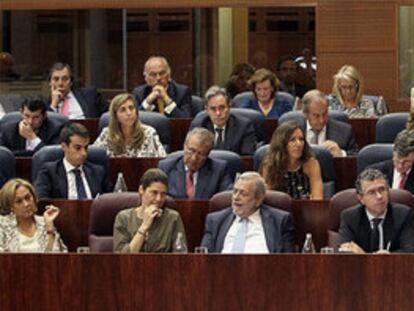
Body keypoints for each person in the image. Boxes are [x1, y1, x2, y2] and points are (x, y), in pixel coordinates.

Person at [200, 171, 295, 253]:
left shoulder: (280, 221)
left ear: (258, 199)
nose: (236, 197)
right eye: (235, 191)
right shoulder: (215, 220)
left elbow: (288, 261)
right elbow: (204, 257)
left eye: (243, 193)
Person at [337, 168, 414, 253]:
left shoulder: (403, 215)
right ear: (361, 198)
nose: (379, 196)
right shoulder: (350, 217)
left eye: (382, 190)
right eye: (371, 192)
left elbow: (409, 251)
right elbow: (343, 251)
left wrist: (387, 257)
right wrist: (370, 259)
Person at [113, 168, 187, 253]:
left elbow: (180, 256)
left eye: (163, 194)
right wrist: (144, 226)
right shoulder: (123, 218)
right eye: (154, 193)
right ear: (141, 190)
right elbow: (122, 259)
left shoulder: (173, 218)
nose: (159, 199)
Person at [35, 123, 112, 199]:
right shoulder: (49, 172)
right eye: (78, 148)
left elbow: (109, 201)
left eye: (85, 148)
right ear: (64, 146)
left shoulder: (98, 172)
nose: (84, 153)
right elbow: (42, 201)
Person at [158, 127, 232, 199]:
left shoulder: (219, 170)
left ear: (208, 154)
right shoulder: (166, 168)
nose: (194, 158)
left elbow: (226, 198)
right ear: (184, 146)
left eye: (201, 154)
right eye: (191, 150)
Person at [259, 121, 323, 200]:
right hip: (278, 210)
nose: (299, 144)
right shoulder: (270, 165)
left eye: (301, 139)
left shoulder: (311, 163)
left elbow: (318, 200)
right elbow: (267, 199)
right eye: (292, 140)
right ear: (282, 143)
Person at [0, 178, 67, 252]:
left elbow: (55, 258)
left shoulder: (44, 222)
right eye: (19, 201)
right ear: (10, 206)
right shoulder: (3, 225)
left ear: (34, 198)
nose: (26, 204)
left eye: (28, 198)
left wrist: (49, 229)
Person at [190, 85, 257, 155]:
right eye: (213, 109)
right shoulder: (198, 126)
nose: (218, 113)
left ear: (229, 107)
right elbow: (192, 155)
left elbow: (247, 159)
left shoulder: (244, 126)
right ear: (207, 110)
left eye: (222, 108)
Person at [93, 93, 166, 157]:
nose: (129, 113)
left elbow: (162, 160)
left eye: (131, 108)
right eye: (123, 110)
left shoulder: (149, 133)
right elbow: (93, 156)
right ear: (116, 116)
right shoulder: (107, 134)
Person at [0, 96, 69, 156]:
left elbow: (53, 157)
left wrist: (32, 138)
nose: (30, 121)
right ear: (21, 112)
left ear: (44, 116)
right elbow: (3, 157)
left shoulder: (56, 130)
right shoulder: (8, 130)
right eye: (27, 116)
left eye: (36, 117)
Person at [302, 89, 358, 156]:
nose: (322, 120)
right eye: (316, 116)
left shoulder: (344, 131)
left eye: (324, 114)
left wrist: (341, 153)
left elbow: (356, 157)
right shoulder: (293, 130)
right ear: (305, 114)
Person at [369, 129, 414, 194]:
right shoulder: (374, 172)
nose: (400, 166)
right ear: (393, 153)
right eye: (397, 160)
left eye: (407, 161)